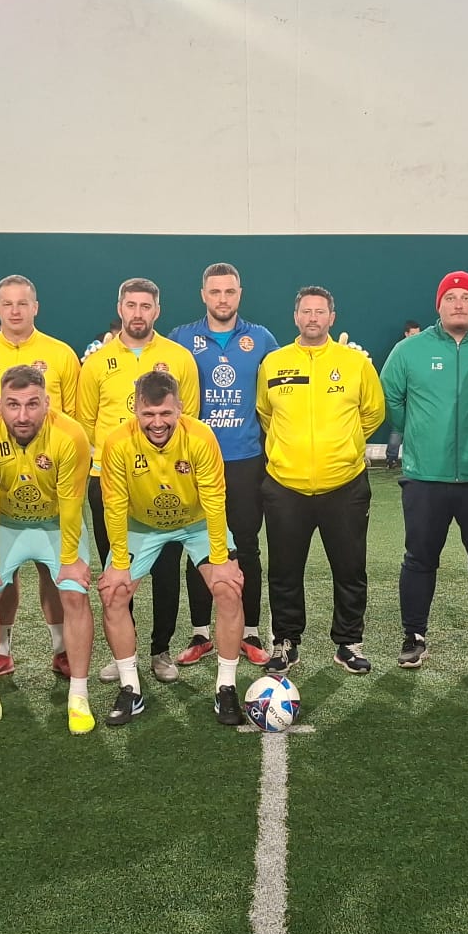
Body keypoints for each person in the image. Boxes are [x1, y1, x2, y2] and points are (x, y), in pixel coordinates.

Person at [95, 371, 245, 726]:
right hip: (142, 525)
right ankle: (130, 688)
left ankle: (226, 687)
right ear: (136, 410)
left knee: (228, 588)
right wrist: (118, 564)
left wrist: (221, 561)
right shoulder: (117, 443)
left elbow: (214, 499)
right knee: (113, 593)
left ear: (180, 407)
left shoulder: (201, 437)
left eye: (165, 413)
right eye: (148, 414)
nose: (157, 422)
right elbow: (113, 506)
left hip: (196, 522)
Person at [0, 367, 95, 735]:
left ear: (47, 403)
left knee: (74, 593)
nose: (22, 415)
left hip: (56, 524)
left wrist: (70, 560)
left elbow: (72, 503)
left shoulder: (71, 435)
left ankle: (78, 697)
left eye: (32, 404)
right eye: (13, 405)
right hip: (5, 524)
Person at [0, 274, 83, 680]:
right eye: (7, 303)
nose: (15, 310)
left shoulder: (61, 353)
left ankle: (62, 649)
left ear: (36, 307)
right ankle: (0, 650)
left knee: (55, 572)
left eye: (23, 303)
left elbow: (71, 414)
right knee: (0, 573)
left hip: (50, 475)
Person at [78, 278, 202, 684]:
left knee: (166, 571)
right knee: (117, 570)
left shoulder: (179, 358)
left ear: (157, 311)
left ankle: (160, 650)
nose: (137, 313)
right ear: (120, 309)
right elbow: (85, 421)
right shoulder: (97, 362)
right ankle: (123, 654)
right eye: (130, 305)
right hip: (109, 480)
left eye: (145, 306)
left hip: (165, 482)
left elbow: (188, 417)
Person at [258, 286, 385, 674]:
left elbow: (373, 413)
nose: (312, 318)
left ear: (332, 317)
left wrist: (343, 447)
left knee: (350, 569)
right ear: (295, 317)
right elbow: (266, 414)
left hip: (344, 486)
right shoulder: (274, 363)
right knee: (284, 571)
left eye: (320, 312)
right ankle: (286, 642)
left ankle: (348, 643)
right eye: (306, 311)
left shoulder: (355, 363)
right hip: (285, 486)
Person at [380, 271, 468, 669]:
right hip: (424, 478)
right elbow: (390, 399)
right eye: (451, 297)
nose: (458, 304)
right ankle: (414, 636)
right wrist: (418, 433)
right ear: (439, 305)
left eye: (466, 297)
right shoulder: (408, 350)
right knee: (419, 559)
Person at [166, 263, 281, 670]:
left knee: (246, 546)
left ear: (239, 294)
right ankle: (201, 633)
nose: (222, 299)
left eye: (229, 291)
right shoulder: (181, 339)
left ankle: (249, 632)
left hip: (246, 461)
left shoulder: (261, 339)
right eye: (215, 292)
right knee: (197, 547)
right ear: (203, 295)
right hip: (195, 462)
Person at [383, 321, 424, 468]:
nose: (416, 337)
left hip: (416, 402)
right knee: (398, 429)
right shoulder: (400, 351)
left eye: (418, 334)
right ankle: (391, 459)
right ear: (406, 334)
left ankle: (417, 460)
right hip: (401, 401)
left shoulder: (423, 351)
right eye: (413, 334)